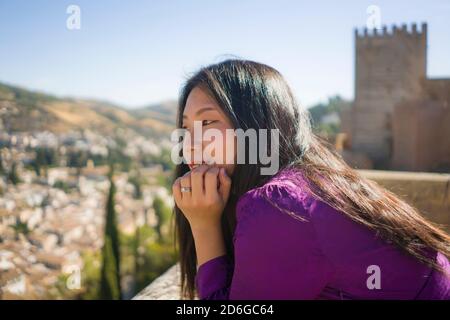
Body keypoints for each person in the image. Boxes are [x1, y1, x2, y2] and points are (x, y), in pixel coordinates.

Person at [171, 59, 450, 300]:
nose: (189, 145)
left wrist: (203, 224)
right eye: (185, 128)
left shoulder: (280, 205)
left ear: (255, 126)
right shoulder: (309, 178)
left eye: (207, 123)